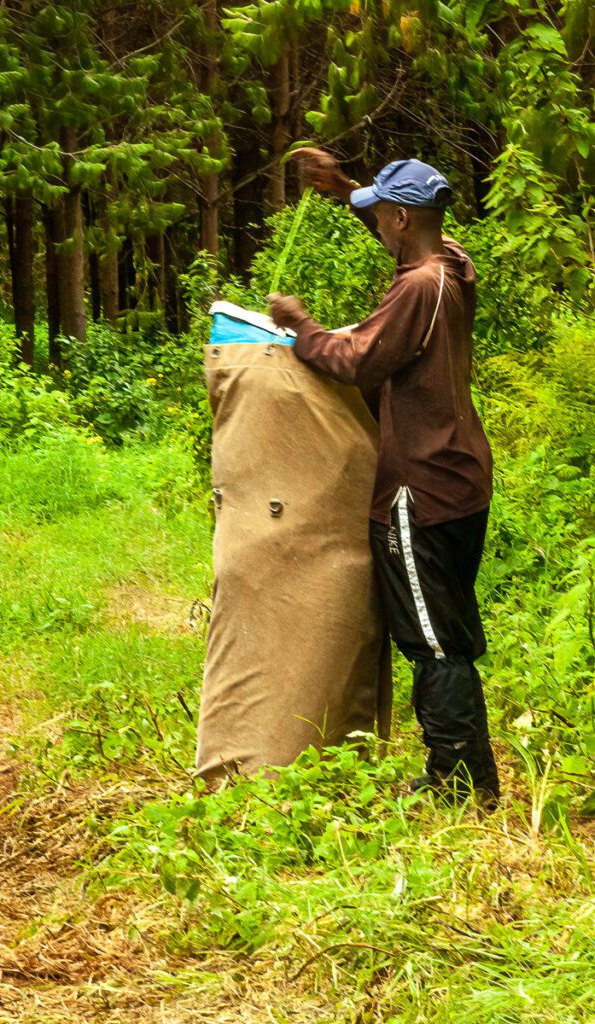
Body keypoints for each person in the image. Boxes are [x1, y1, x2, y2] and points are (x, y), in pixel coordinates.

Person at [268, 152, 500, 803]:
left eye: (381, 213)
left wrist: (299, 323)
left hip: (416, 492)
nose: (379, 224)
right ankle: (474, 778)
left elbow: (356, 362)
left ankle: (455, 785)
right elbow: (401, 229)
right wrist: (345, 192)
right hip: (461, 477)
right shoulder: (449, 261)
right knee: (446, 635)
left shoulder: (417, 287)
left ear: (401, 218)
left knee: (432, 645)